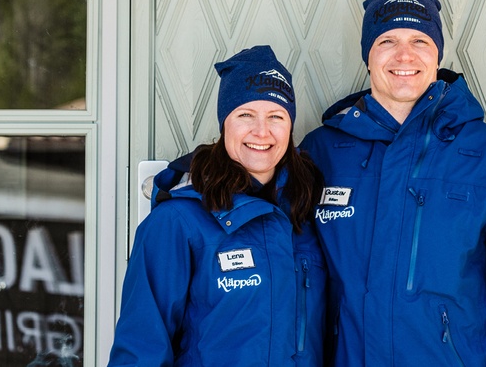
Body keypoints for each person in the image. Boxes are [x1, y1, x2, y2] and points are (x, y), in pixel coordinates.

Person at [300, 0, 486, 366]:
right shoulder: (321, 153)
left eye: (419, 41)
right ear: (368, 55)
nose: (404, 56)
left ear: (437, 54)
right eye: (387, 41)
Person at [108, 45, 326, 366]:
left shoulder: (304, 215)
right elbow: (141, 349)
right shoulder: (177, 222)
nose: (261, 131)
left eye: (276, 116)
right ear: (225, 124)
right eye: (245, 115)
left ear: (290, 126)